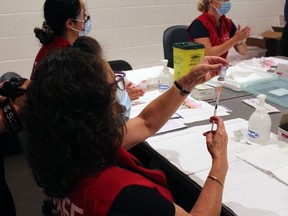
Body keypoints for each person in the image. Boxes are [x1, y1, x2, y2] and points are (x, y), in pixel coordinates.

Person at [20, 36, 229, 215]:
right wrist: (219, 163)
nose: (120, 93)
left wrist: (187, 82)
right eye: (114, 85)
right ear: (96, 105)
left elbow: (147, 122)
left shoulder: (68, 147)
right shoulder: (127, 197)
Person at [33, 0, 144, 101]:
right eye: (83, 15)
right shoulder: (69, 59)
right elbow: (88, 103)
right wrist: (120, 98)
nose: (86, 18)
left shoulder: (49, 47)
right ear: (70, 24)